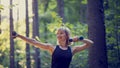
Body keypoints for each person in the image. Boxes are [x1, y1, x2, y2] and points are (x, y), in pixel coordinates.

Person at [12, 27, 93, 68]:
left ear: (67, 35)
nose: (58, 35)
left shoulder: (72, 50)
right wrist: (18, 35)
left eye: (61, 33)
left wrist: (79, 39)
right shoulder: (52, 48)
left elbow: (90, 43)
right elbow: (34, 42)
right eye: (57, 34)